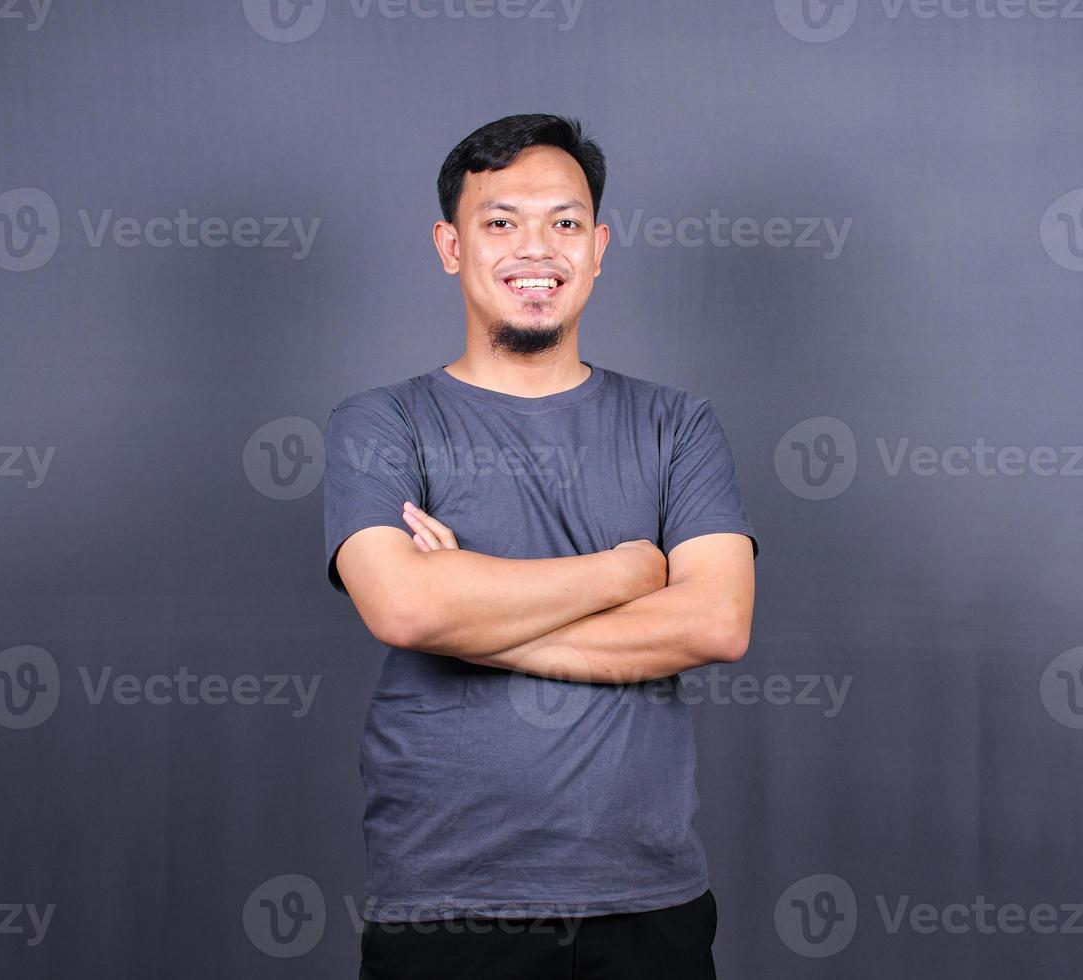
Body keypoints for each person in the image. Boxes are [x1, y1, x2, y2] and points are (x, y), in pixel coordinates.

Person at [322, 113, 760, 980]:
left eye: (564, 223)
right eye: (500, 222)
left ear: (598, 247)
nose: (538, 249)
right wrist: (630, 570)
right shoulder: (382, 422)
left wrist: (470, 615)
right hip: (446, 903)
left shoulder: (678, 426)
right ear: (451, 245)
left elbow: (715, 623)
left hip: (647, 901)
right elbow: (405, 606)